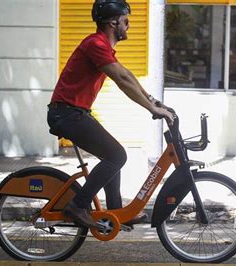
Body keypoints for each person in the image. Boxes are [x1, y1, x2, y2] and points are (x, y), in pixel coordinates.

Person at [47, 0, 174, 228]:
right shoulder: (95, 44)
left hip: (74, 113)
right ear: (113, 22)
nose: (129, 26)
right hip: (66, 114)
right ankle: (78, 205)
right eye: (126, 21)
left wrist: (153, 100)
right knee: (117, 156)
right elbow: (121, 79)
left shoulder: (102, 46)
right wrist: (151, 109)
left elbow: (126, 74)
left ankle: (117, 213)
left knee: (113, 155)